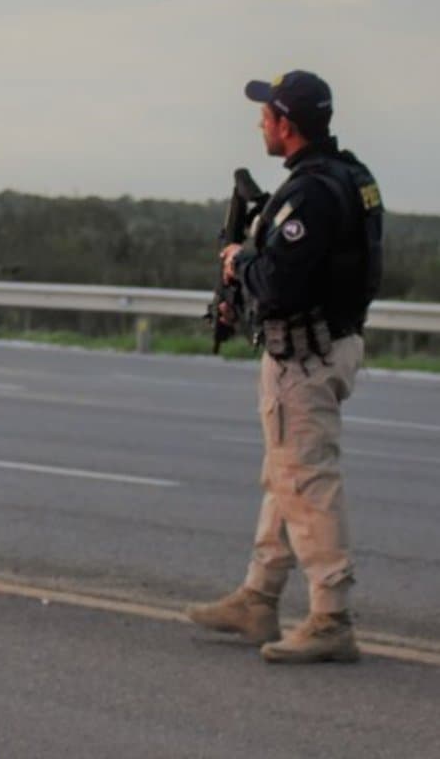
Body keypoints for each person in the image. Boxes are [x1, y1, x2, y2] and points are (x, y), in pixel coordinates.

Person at [186, 70, 383, 664]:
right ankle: (258, 598)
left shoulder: (310, 195)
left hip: (303, 355)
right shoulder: (352, 176)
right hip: (330, 344)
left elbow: (277, 284)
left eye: (266, 116)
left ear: (286, 126)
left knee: (306, 482)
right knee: (287, 476)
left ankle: (331, 618)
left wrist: (239, 261)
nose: (259, 124)